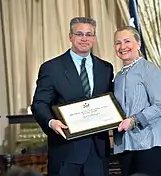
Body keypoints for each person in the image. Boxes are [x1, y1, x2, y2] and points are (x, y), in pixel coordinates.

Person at [31, 17, 114, 176]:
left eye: (89, 35)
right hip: (65, 151)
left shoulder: (106, 68)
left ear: (94, 38)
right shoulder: (52, 68)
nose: (84, 39)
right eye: (79, 34)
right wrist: (51, 122)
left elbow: (110, 102)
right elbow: (39, 103)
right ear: (70, 36)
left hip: (97, 153)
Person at [113, 26, 161, 176]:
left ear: (138, 44)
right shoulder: (118, 76)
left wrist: (134, 120)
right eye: (118, 43)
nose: (122, 46)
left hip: (152, 145)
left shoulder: (149, 70)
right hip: (126, 145)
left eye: (127, 41)